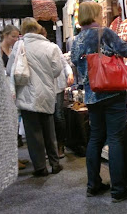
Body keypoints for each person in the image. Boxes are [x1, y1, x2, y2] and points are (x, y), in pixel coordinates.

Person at [71, 1, 127, 202]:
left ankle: (93, 185)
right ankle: (118, 189)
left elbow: (76, 65)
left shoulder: (76, 40)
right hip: (112, 93)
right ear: (95, 14)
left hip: (92, 95)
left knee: (95, 139)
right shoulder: (104, 33)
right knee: (115, 139)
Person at [7, 18, 63, 177]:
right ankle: (55, 163)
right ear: (38, 29)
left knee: (33, 134)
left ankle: (40, 167)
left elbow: (11, 69)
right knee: (49, 131)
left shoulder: (19, 45)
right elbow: (57, 70)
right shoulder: (51, 46)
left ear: (23, 30)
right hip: (46, 93)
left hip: (26, 94)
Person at [40, 27, 74, 158]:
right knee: (47, 117)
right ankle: (51, 147)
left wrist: (69, 73)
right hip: (43, 86)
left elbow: (64, 62)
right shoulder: (30, 48)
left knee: (58, 115)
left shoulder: (53, 47)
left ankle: (60, 144)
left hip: (57, 85)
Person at [0, 25, 27, 170]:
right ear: (5, 35)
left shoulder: (12, 50)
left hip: (13, 91)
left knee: (14, 125)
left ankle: (14, 157)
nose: (16, 39)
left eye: (17, 37)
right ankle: (10, 160)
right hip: (4, 92)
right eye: (13, 36)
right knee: (8, 127)